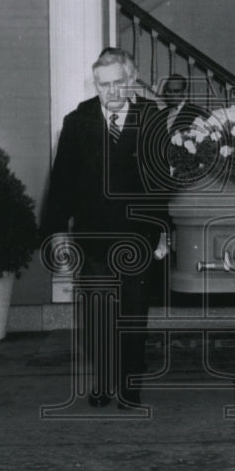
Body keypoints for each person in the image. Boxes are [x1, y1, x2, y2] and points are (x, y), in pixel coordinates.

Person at [44, 49, 164, 408]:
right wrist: (55, 231)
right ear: (95, 84)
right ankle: (104, 380)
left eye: (117, 83)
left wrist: (163, 231)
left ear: (131, 80)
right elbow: (61, 181)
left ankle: (129, 384)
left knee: (133, 312)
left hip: (138, 236)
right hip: (92, 236)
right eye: (103, 84)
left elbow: (161, 183)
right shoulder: (77, 121)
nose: (110, 91)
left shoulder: (152, 118)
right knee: (97, 314)